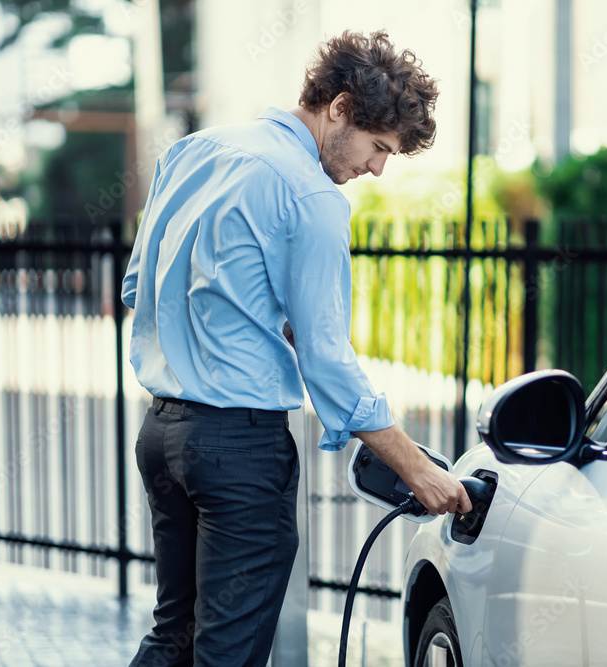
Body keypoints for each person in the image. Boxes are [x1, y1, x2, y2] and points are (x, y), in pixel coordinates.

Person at [121, 30, 472, 666]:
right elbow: (328, 361)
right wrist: (415, 468)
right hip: (237, 453)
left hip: (162, 438)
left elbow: (137, 286)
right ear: (338, 108)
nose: (377, 168)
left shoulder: (190, 153)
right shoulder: (311, 197)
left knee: (173, 634)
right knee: (226, 653)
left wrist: (255, 317)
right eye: (378, 147)